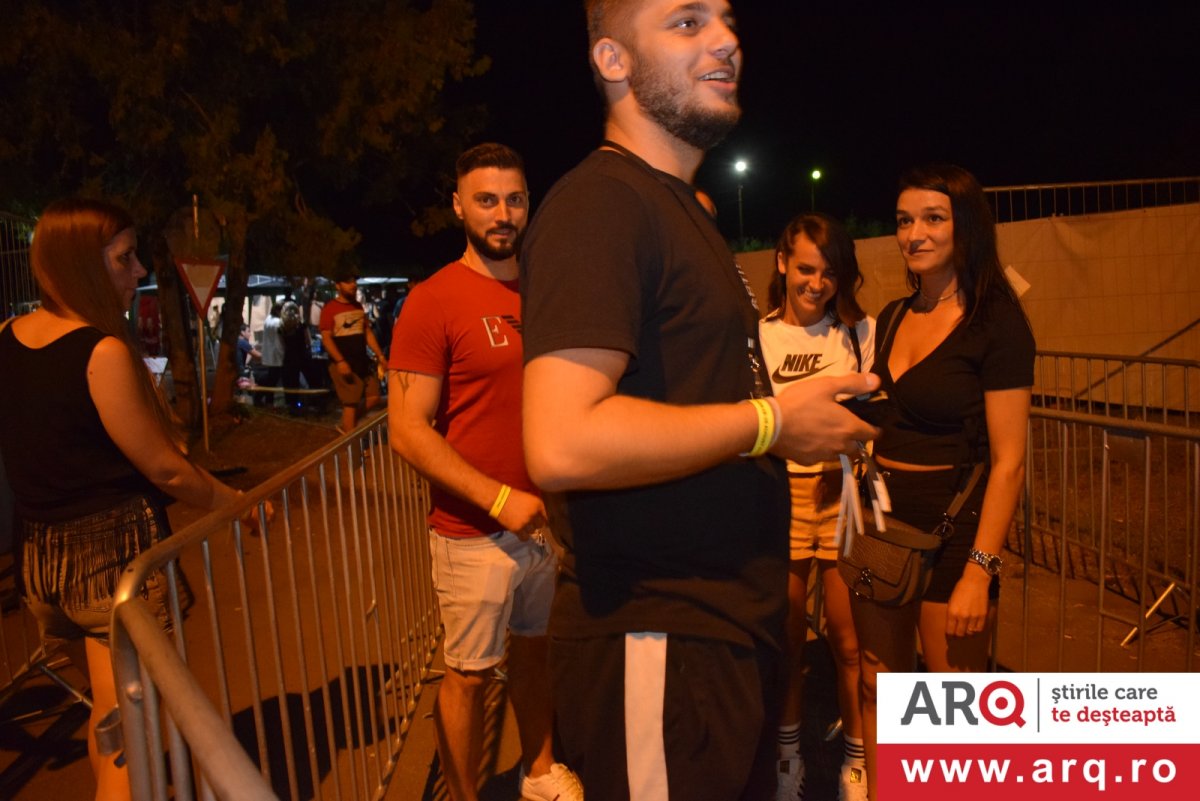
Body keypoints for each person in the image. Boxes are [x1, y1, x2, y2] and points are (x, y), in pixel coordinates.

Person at [519, 2, 880, 798]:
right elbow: (561, 439)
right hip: (658, 634)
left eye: (725, 20)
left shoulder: (681, 210)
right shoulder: (601, 204)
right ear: (613, 59)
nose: (726, 40)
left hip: (717, 637)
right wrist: (773, 422)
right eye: (686, 23)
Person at [0, 197, 264, 801]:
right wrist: (236, 502)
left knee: (110, 716)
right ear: (81, 264)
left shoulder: (8, 337)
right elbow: (166, 468)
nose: (140, 270)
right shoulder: (101, 352)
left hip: (41, 570)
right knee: (133, 737)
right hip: (111, 570)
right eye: (124, 258)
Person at [388, 143, 583, 801]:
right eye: (487, 200)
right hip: (473, 532)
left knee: (534, 650)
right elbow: (406, 430)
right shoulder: (433, 299)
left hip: (544, 522)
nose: (503, 214)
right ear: (458, 206)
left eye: (515, 199)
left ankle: (539, 771)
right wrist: (499, 499)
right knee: (469, 675)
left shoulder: (548, 288)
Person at [850, 164, 1035, 798]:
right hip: (883, 523)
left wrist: (980, 571)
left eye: (933, 218)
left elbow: (1009, 461)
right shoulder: (893, 315)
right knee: (877, 684)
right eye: (905, 220)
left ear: (966, 227)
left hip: (957, 532)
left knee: (950, 710)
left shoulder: (997, 323)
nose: (915, 234)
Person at [758, 213, 874, 801]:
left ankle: (855, 759)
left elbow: (878, 415)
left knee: (849, 643)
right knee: (786, 642)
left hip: (842, 495)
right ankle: (788, 758)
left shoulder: (858, 333)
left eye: (829, 273)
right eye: (806, 268)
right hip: (780, 497)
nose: (817, 283)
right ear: (782, 262)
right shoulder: (757, 337)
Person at [320, 267, 383, 433]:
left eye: (354, 281)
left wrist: (380, 355)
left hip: (361, 361)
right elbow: (326, 338)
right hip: (344, 363)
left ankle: (347, 426)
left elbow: (367, 332)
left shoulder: (358, 307)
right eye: (348, 281)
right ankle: (350, 442)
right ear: (338, 285)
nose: (353, 284)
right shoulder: (330, 309)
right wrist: (340, 361)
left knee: (374, 396)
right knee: (351, 403)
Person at [279, 300, 312, 414]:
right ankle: (308, 404)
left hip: (289, 357)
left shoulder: (282, 328)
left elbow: (282, 344)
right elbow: (308, 341)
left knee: (290, 382)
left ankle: (292, 405)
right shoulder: (302, 326)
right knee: (308, 380)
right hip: (302, 356)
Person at [256, 302, 284, 406]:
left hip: (270, 355)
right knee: (273, 380)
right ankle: (265, 399)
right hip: (276, 355)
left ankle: (266, 399)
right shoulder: (278, 322)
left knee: (272, 379)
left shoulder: (268, 320)